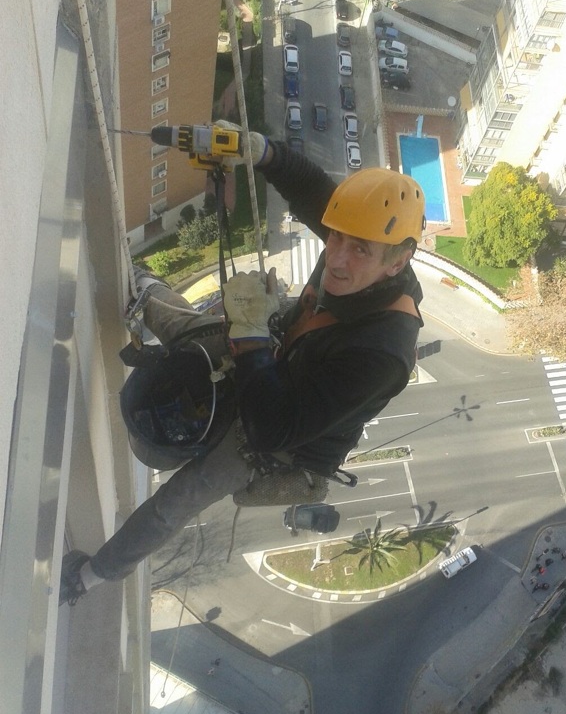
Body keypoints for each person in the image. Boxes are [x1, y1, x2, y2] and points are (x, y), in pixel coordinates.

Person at [59, 129, 426, 606]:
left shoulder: (383, 353)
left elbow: (273, 427)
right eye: (335, 236)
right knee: (188, 329)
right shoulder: (365, 242)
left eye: (359, 250)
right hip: (278, 354)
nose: (335, 258)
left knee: (180, 500)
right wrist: (261, 151)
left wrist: (251, 332)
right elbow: (310, 186)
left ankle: (89, 576)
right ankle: (145, 287)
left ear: (398, 263)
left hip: (286, 439)